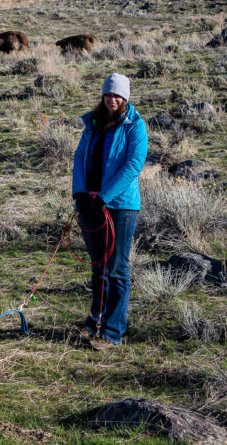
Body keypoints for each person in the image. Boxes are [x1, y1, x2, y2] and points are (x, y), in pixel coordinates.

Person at [71, 73, 148, 350]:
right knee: (98, 266)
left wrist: (104, 197)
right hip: (89, 205)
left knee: (116, 268)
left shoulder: (135, 126)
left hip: (120, 207)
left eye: (117, 96)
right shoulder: (92, 124)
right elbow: (80, 156)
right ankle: (95, 322)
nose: (112, 99)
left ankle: (112, 332)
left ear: (125, 98)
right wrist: (79, 191)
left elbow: (134, 165)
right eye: (108, 95)